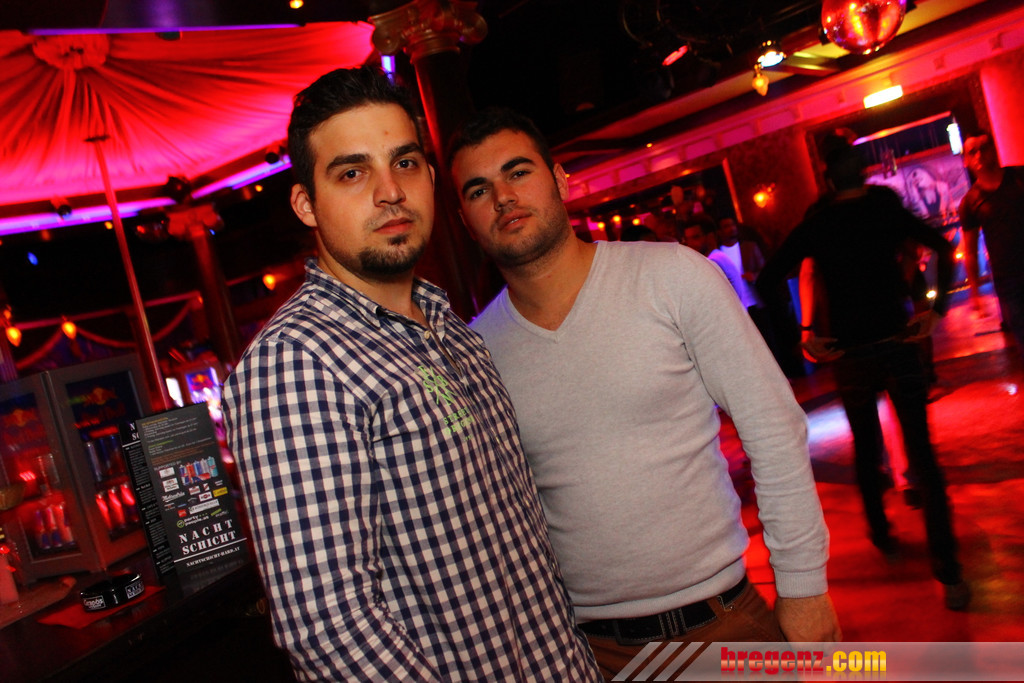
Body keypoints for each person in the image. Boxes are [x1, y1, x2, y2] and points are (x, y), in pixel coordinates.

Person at [222, 68, 600, 682]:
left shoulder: (453, 330)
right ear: (305, 204)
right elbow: (330, 628)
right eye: (352, 173)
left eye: (404, 163)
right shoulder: (296, 361)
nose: (389, 192)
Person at [447, 107, 840, 679]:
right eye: (479, 189)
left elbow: (773, 426)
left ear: (559, 180)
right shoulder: (476, 350)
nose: (503, 197)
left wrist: (804, 587)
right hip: (584, 653)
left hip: (720, 624)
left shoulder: (672, 277)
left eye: (518, 172)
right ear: (465, 220)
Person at [757, 135, 969, 611]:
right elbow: (941, 246)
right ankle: (950, 570)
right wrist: (937, 310)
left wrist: (802, 338)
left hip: (851, 352)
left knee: (867, 447)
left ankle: (881, 534)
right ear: (863, 171)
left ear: (828, 179)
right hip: (898, 341)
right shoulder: (884, 208)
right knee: (922, 454)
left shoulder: (819, 221)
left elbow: (769, 280)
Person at [958, 131, 1024, 352]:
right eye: (972, 152)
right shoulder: (970, 202)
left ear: (994, 150)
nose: (979, 155)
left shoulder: (1019, 177)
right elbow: (970, 251)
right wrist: (975, 291)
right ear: (966, 160)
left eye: (984, 148)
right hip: (1008, 279)